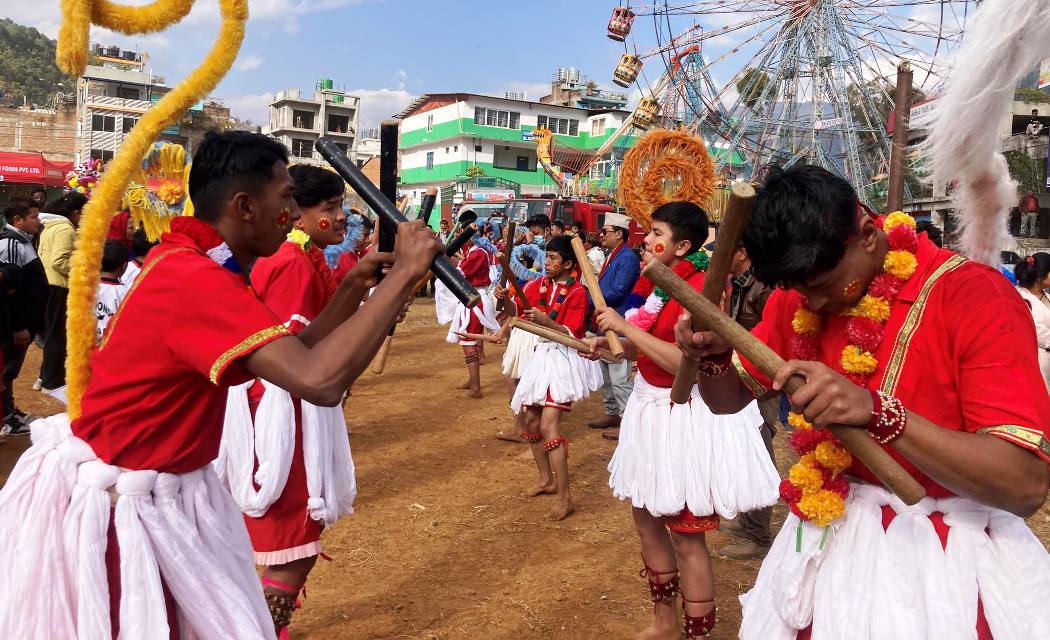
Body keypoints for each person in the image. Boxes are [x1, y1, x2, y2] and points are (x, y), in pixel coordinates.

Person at [0, 131, 442, 638]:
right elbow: (318, 381)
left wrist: (352, 288)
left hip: (152, 488)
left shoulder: (196, 262)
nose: (295, 217)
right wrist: (405, 274)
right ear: (245, 206)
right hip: (123, 505)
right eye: (286, 201)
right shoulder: (196, 279)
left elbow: (296, 354)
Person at [675, 165, 1050, 639]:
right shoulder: (798, 300)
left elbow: (1024, 485)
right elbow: (727, 401)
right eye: (797, 288)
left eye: (824, 283)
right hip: (831, 540)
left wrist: (879, 414)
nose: (811, 303)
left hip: (949, 561)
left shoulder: (975, 295)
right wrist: (712, 359)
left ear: (869, 236)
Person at [590, 202, 779, 639]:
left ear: (684, 245)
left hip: (683, 417)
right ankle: (664, 624)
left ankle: (698, 634)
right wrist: (608, 342)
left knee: (687, 535)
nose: (645, 240)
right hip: (646, 410)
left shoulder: (702, 289)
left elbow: (682, 364)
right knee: (646, 520)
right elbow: (645, 346)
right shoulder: (656, 285)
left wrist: (626, 328)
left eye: (655, 232)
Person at [216, 164, 357, 638]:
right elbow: (298, 350)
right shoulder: (293, 263)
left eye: (341, 207)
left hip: (282, 401)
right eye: (330, 208)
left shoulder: (297, 257)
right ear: (296, 215)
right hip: (284, 411)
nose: (341, 218)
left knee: (290, 540)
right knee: (293, 544)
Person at [511, 235, 601, 520]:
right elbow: (515, 312)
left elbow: (571, 335)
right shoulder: (538, 284)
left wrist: (546, 321)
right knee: (529, 419)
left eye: (553, 259)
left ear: (569, 264)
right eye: (546, 257)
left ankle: (565, 498)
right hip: (541, 358)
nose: (546, 263)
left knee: (550, 425)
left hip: (562, 360)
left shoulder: (577, 293)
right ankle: (545, 480)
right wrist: (503, 301)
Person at [718, 243, 778, 561]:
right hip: (742, 376)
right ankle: (746, 522)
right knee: (743, 449)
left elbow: (774, 337)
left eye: (724, 252)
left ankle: (758, 534)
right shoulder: (740, 284)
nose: (718, 259)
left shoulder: (764, 286)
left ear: (741, 253)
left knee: (759, 454)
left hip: (761, 382)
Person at [587, 211, 641, 439]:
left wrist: (591, 299)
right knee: (607, 373)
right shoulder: (614, 255)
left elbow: (619, 290)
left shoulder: (627, 257)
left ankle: (628, 421)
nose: (601, 235)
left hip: (617, 319)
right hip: (605, 318)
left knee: (619, 375)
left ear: (619, 234)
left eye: (605, 232)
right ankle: (612, 412)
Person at [435, 215, 500, 397]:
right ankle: (473, 381)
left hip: (474, 299)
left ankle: (476, 387)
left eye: (466, 232)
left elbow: (461, 271)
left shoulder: (478, 252)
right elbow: (461, 266)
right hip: (473, 297)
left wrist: (444, 261)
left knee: (468, 342)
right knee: (469, 341)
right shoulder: (473, 251)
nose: (463, 235)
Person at [0, 199, 46, 435]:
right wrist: (18, 326)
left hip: (26, 320)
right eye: (33, 217)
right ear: (17, 220)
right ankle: (6, 415)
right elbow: (9, 290)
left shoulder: (23, 240)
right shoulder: (11, 244)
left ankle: (8, 409)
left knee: (11, 369)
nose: (38, 222)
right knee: (6, 370)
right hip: (15, 324)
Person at [37, 192, 87, 393]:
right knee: (57, 335)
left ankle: (44, 377)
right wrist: (80, 273)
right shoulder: (65, 228)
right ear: (75, 212)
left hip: (48, 284)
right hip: (58, 286)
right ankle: (52, 381)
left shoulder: (50, 225)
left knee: (52, 334)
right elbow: (59, 261)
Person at [1014, 252, 1050, 393]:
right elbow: (1032, 329)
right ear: (1040, 277)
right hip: (1031, 362)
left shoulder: (1047, 296)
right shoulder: (1018, 297)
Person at [95, 239, 130, 342]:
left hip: (88, 346)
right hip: (113, 346)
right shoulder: (125, 292)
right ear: (124, 266)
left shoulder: (84, 289)